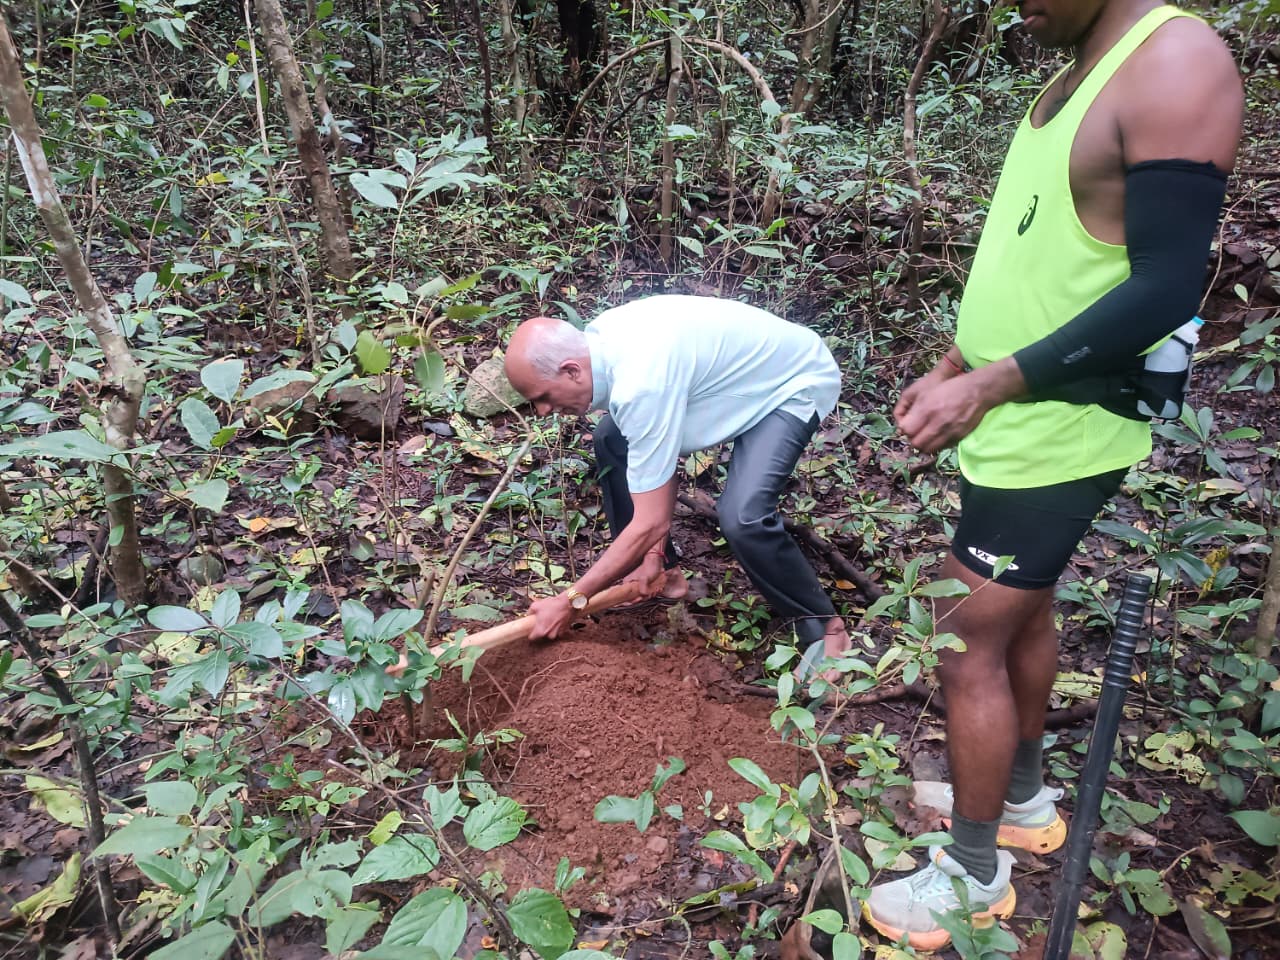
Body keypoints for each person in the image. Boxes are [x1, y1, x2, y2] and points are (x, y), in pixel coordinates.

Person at [867, 0, 1243, 950]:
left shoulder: (1174, 64)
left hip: (1061, 425)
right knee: (1020, 612)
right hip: (1013, 414)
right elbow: (1037, 251)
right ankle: (1025, 802)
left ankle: (974, 871)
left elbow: (1163, 285)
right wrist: (960, 367)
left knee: (964, 638)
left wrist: (994, 382)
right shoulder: (1076, 63)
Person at [502, 294, 852, 676]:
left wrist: (571, 600)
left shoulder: (640, 382)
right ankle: (658, 573)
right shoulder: (602, 344)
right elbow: (656, 457)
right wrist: (651, 554)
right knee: (612, 437)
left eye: (543, 398)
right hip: (731, 383)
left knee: (743, 516)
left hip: (790, 382)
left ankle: (824, 625)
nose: (543, 412)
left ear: (572, 371)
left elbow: (651, 518)